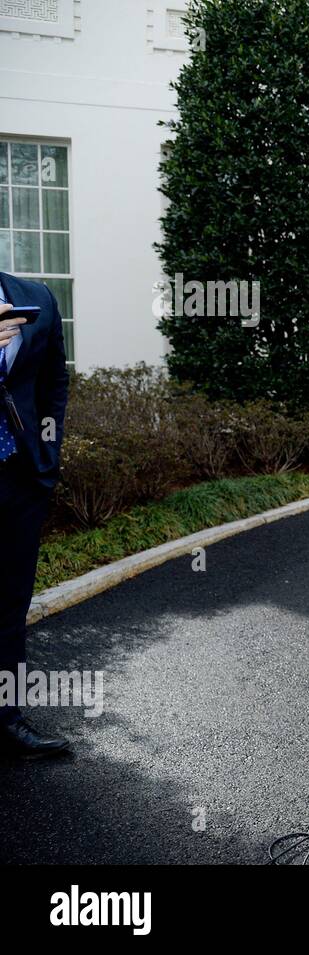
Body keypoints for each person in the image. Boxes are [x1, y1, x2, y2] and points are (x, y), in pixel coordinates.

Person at [0, 274, 70, 759]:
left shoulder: (36, 297)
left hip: (19, 478)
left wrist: (47, 457)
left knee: (8, 606)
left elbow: (53, 382)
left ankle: (7, 719)